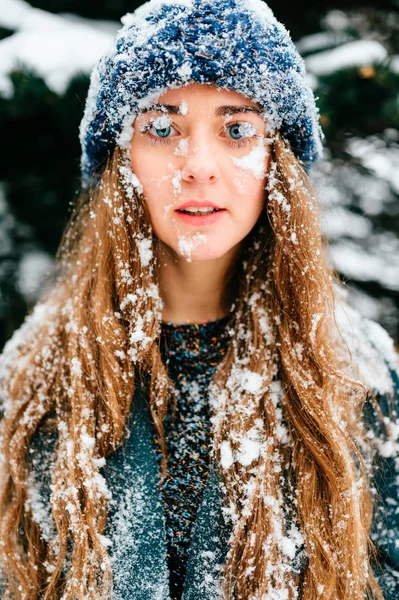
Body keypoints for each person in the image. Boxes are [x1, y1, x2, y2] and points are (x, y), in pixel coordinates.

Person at [0, 0, 398, 598]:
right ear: (121, 156)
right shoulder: (33, 376)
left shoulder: (357, 373)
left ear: (275, 159)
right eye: (163, 129)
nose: (200, 166)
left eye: (237, 130)